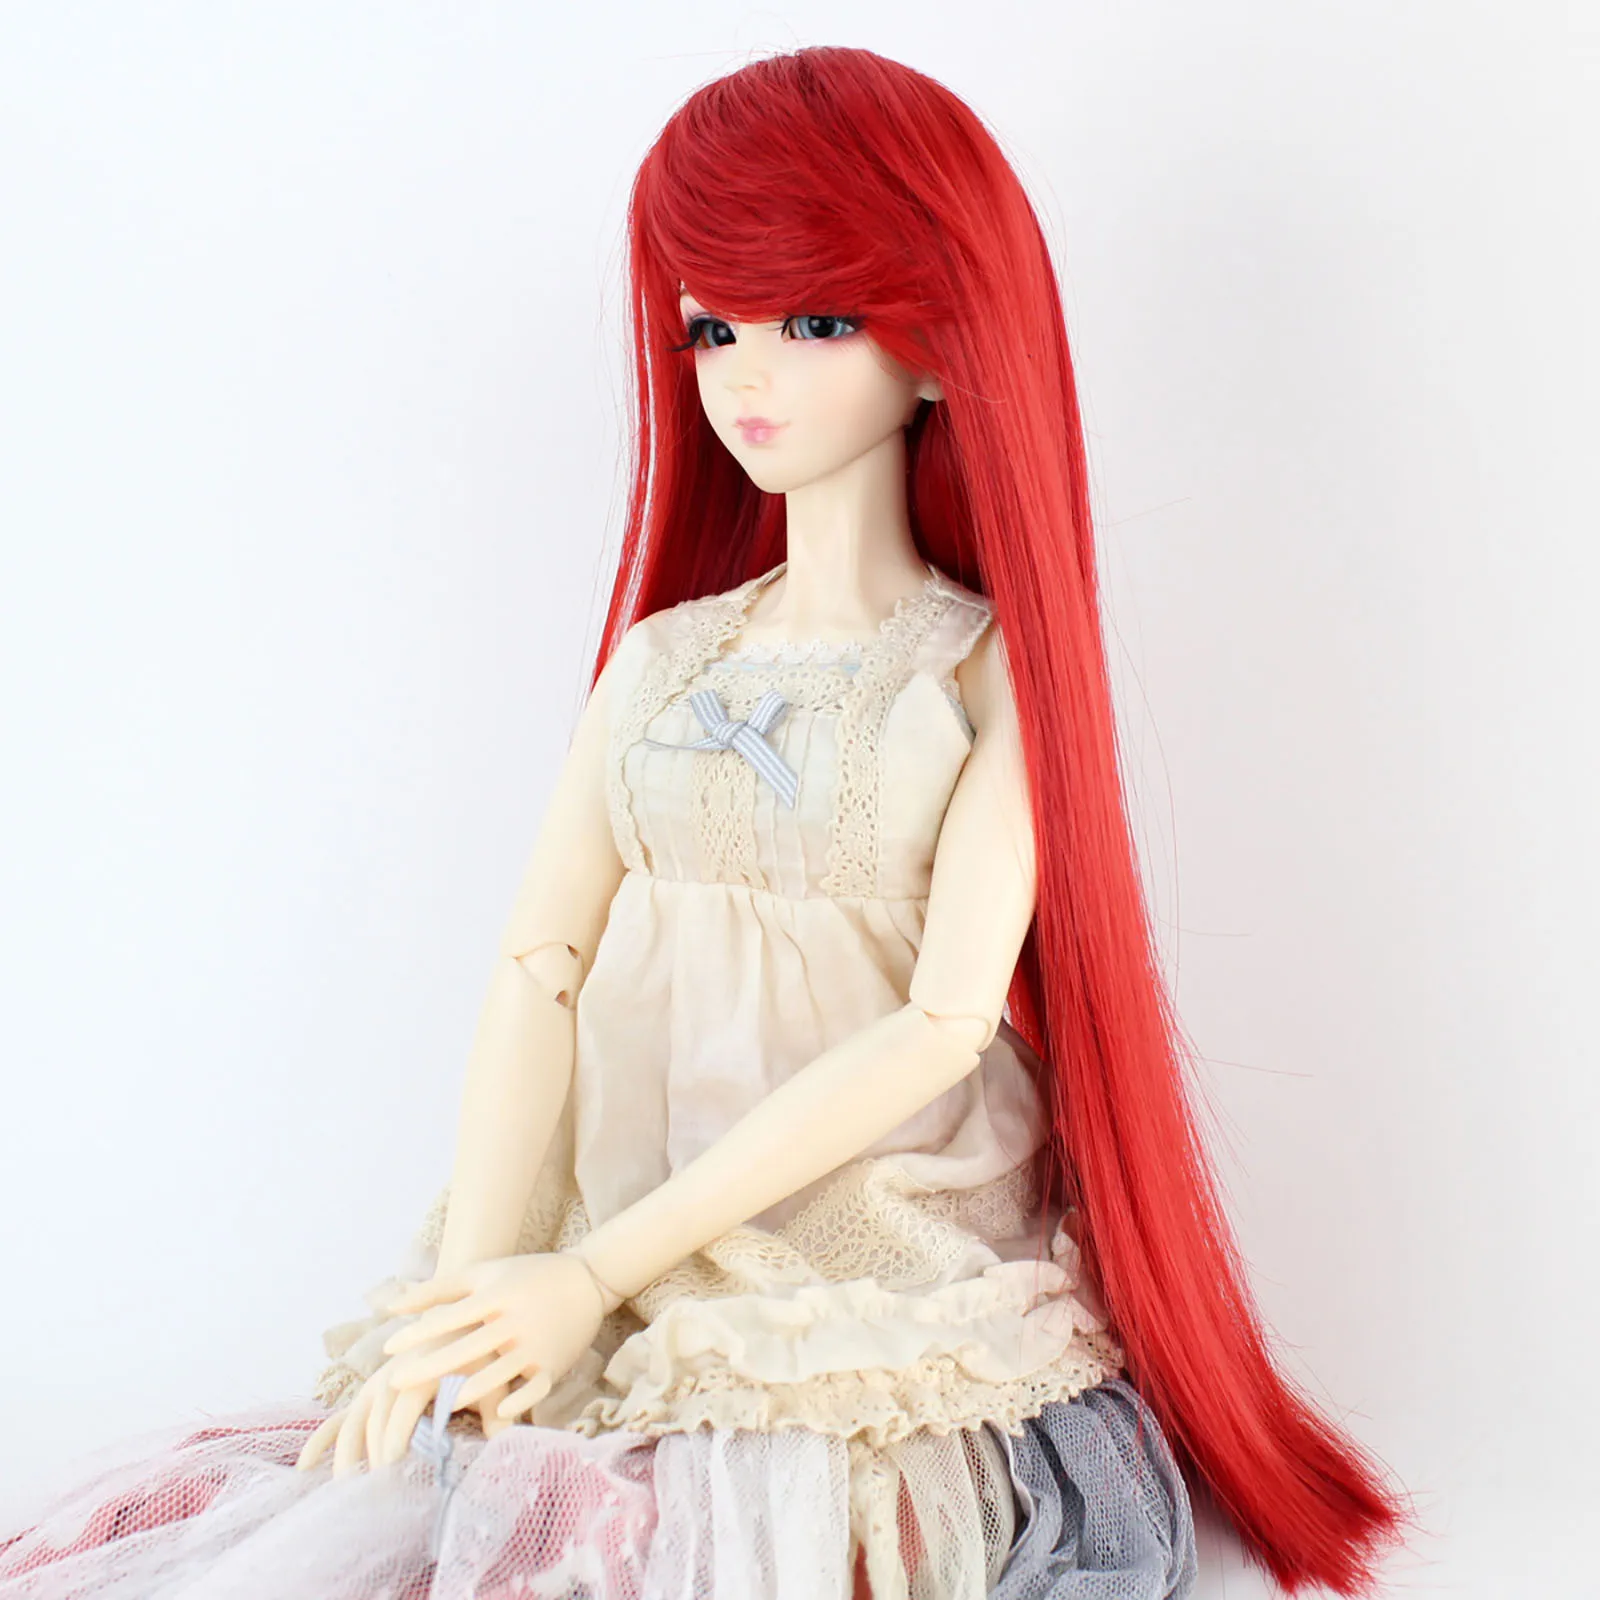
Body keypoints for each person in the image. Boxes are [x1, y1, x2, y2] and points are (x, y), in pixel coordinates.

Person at [0, 45, 1407, 1600]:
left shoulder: (979, 670)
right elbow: (538, 967)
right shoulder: (668, 661)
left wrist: (594, 1269)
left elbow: (941, 1027)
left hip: (862, 1225)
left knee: (780, 1501)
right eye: (712, 327)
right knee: (432, 1480)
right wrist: (476, 1284)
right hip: (619, 1207)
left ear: (943, 347)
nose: (748, 376)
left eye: (817, 324)